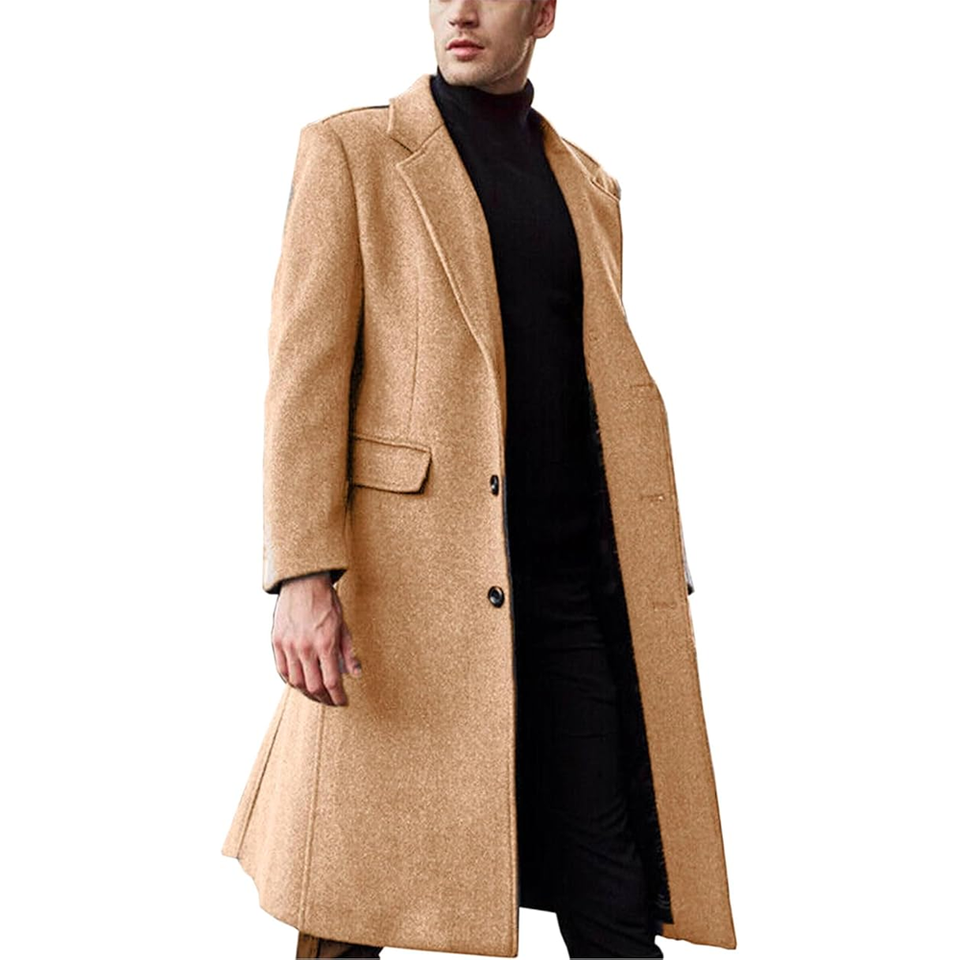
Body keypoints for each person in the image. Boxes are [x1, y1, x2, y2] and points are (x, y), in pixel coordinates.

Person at [222, 3, 736, 958]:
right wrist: (301, 575)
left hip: (571, 602)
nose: (460, 10)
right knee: (351, 904)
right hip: (409, 603)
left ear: (542, 13)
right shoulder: (353, 153)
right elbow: (304, 380)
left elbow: (593, 388)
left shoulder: (590, 185)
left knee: (616, 901)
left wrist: (646, 555)